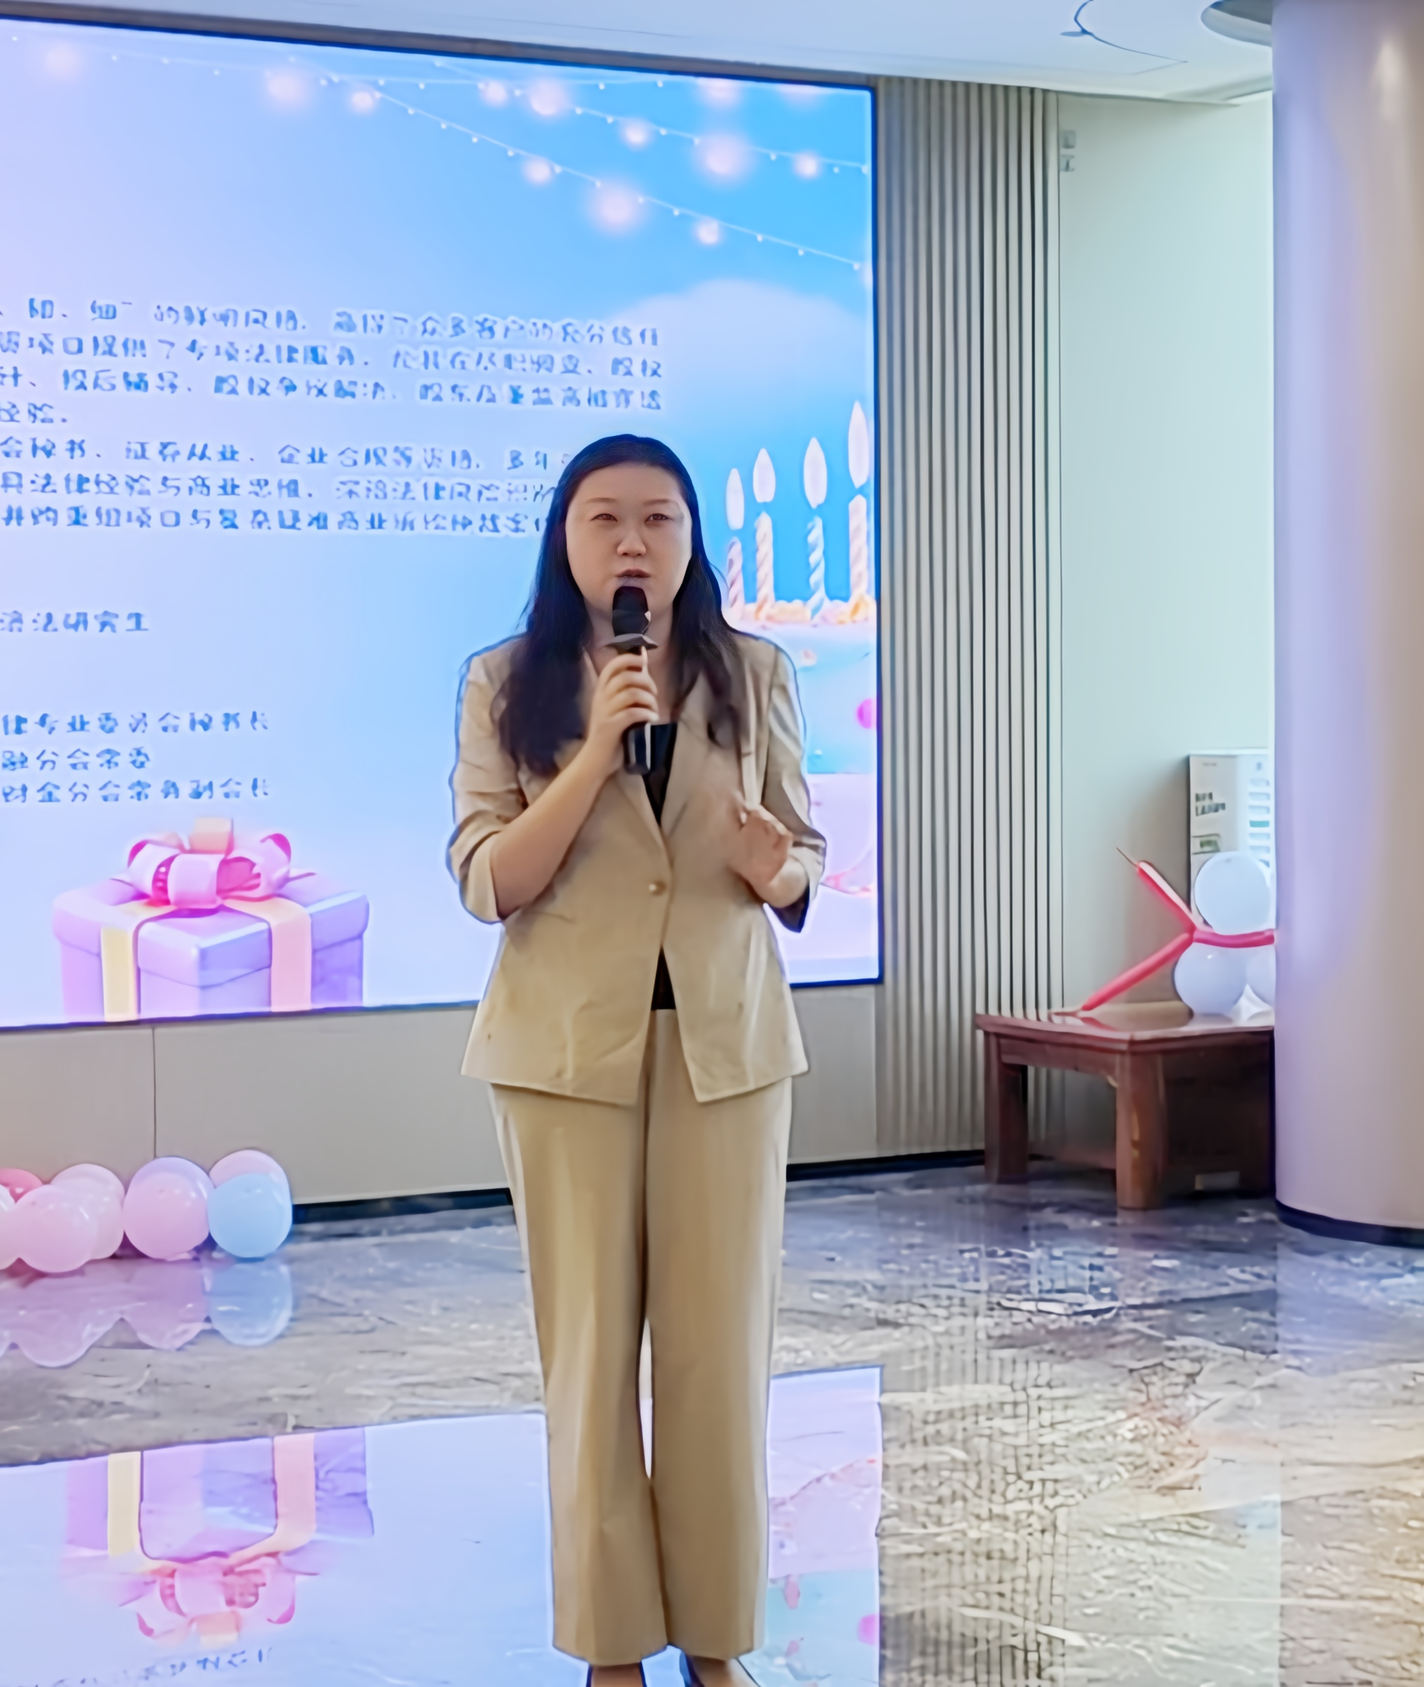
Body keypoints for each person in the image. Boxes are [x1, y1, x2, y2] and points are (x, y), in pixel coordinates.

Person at [448, 432, 824, 1686]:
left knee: (720, 1356)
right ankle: (612, 1647)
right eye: (604, 518)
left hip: (727, 1046)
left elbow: (803, 853)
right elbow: (488, 878)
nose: (632, 543)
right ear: (564, 539)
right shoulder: (506, 683)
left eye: (659, 519)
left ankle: (716, 1640)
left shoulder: (752, 672)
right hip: (565, 1056)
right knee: (592, 1356)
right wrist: (599, 751)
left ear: (692, 540)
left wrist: (784, 872)